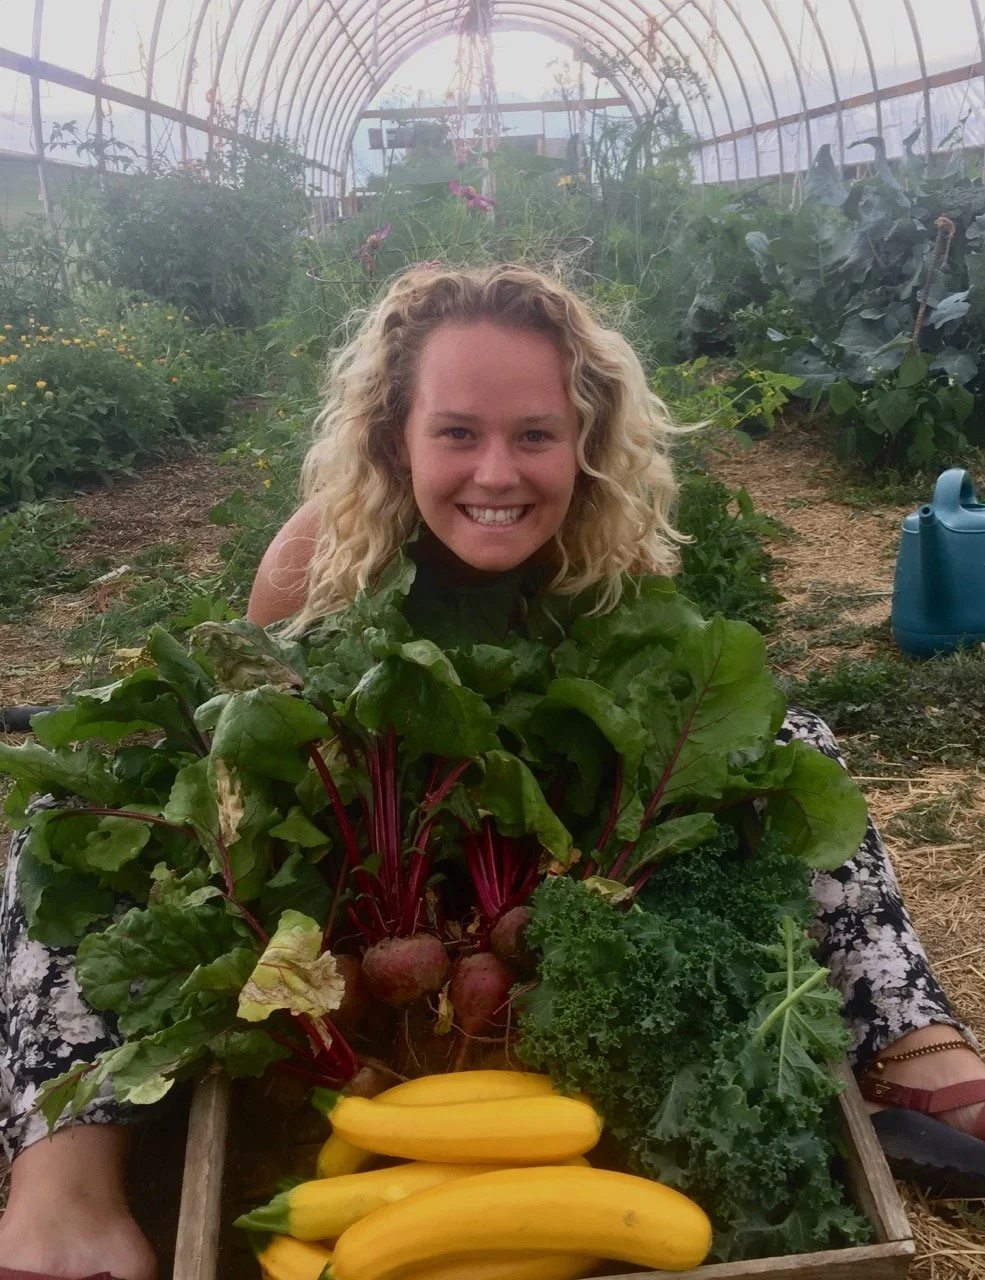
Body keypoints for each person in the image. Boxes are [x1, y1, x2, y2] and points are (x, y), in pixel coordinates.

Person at [0, 264, 983, 1280]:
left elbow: (664, 739)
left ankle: (905, 1036)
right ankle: (64, 1188)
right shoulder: (317, 554)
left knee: (796, 740)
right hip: (365, 894)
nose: (497, 472)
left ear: (586, 443)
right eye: (457, 432)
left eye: (534, 435)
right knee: (82, 793)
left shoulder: (614, 561)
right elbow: (248, 762)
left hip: (536, 890)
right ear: (395, 436)